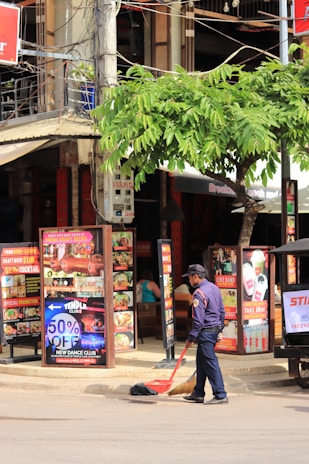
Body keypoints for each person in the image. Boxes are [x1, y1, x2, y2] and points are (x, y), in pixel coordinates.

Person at [182, 264, 228, 405]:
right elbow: (222, 312)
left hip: (206, 332)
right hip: (213, 330)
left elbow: (198, 320)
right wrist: (219, 329)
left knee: (210, 363)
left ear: (195, 277)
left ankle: (220, 394)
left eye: (189, 277)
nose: (189, 280)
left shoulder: (198, 293)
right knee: (201, 362)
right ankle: (198, 393)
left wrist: (191, 338)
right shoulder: (214, 288)